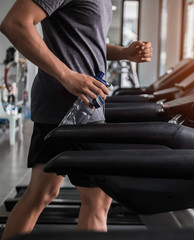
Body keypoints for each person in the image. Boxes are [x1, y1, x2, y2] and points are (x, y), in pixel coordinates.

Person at [0, 0, 152, 239]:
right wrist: (67, 76)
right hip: (73, 110)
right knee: (98, 199)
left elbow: (84, 41)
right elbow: (15, 23)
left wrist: (123, 53)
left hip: (71, 107)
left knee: (42, 193)